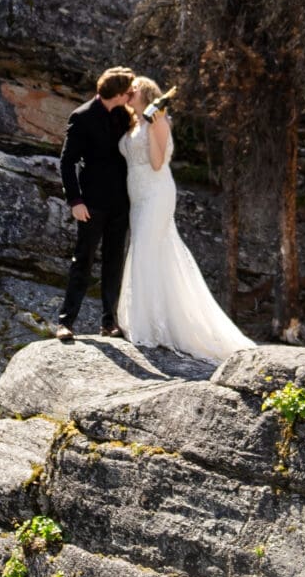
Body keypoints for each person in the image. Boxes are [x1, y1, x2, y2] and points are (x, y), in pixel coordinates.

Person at [116, 75, 247, 363]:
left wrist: (152, 127)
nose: (129, 92)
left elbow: (157, 162)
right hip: (137, 197)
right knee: (145, 251)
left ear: (146, 93)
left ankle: (150, 326)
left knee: (146, 252)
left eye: (134, 89)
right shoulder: (132, 123)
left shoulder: (157, 121)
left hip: (156, 193)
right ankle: (146, 319)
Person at [56, 67, 137, 340]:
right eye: (129, 91)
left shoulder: (127, 116)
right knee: (83, 260)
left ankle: (109, 322)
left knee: (114, 262)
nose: (132, 95)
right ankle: (66, 322)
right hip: (91, 202)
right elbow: (66, 162)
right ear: (118, 93)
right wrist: (74, 200)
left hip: (121, 202)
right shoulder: (82, 117)